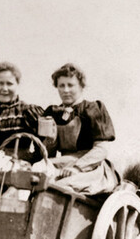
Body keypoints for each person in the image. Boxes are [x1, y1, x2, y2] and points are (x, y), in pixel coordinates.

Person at [43, 63, 121, 195]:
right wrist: (49, 140)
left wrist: (77, 168)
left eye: (70, 85)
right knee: (37, 173)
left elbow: (101, 150)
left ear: (81, 86)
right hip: (63, 163)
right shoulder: (53, 112)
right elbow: (49, 154)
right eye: (61, 85)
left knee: (57, 186)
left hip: (91, 168)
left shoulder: (92, 109)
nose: (65, 90)